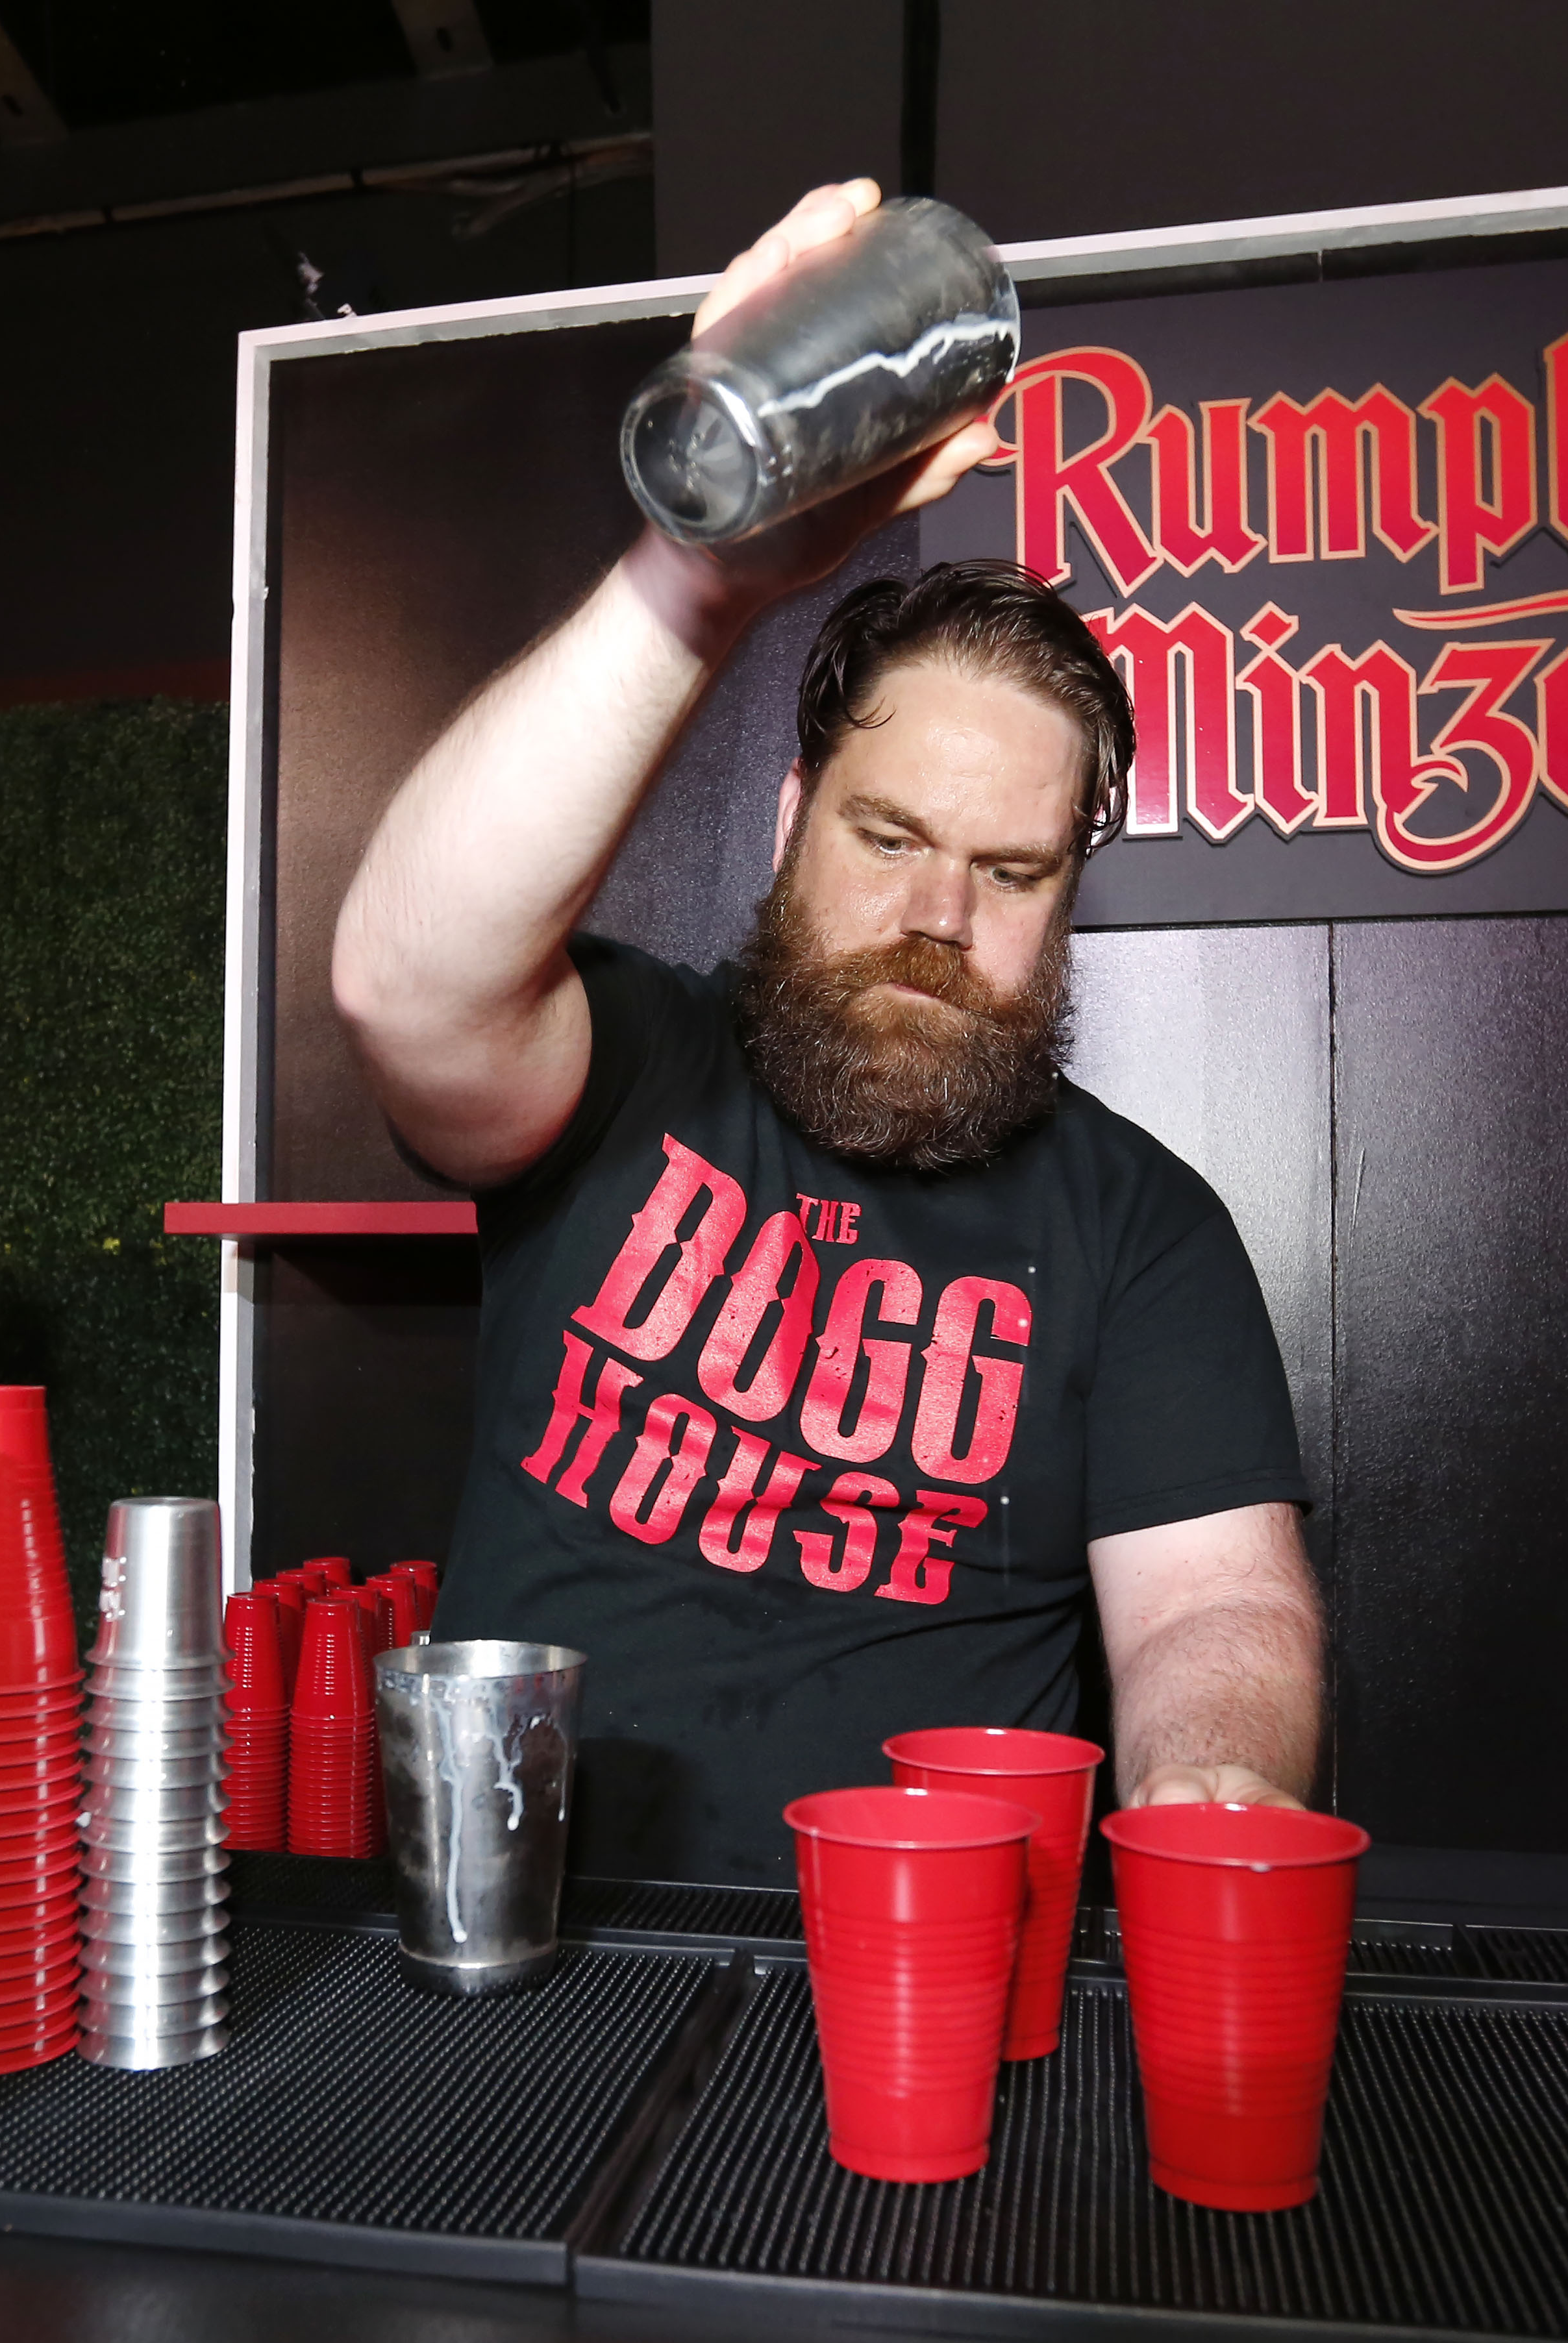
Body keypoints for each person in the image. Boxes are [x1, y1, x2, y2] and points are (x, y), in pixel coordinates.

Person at [334, 180, 1323, 1883]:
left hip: (935, 1978)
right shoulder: (624, 1063)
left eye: (1009, 869)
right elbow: (405, 988)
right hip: (530, 1947)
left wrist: (1211, 1781)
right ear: (795, 811)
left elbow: (1218, 1602)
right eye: (890, 841)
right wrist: (693, 584)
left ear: (1073, 884)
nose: (940, 919)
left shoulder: (1145, 1233)